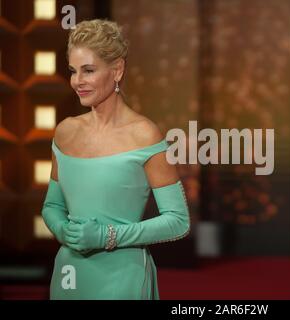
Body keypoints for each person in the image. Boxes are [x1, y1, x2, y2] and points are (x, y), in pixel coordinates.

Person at [41, 19, 190, 300]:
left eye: (88, 70)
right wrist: (64, 231)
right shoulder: (65, 132)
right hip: (69, 274)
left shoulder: (145, 135)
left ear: (117, 70)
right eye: (73, 71)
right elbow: (52, 205)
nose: (77, 81)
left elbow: (177, 221)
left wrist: (106, 236)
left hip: (123, 277)